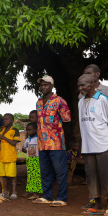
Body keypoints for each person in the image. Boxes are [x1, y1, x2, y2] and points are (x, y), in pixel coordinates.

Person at [77, 74, 108, 216]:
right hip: (88, 146)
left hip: (104, 144)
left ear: (93, 84)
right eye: (79, 85)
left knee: (107, 175)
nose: (80, 88)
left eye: (83, 85)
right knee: (91, 176)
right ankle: (97, 204)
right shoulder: (81, 102)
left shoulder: (103, 99)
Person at [33, 75, 71, 207]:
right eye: (42, 85)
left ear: (52, 86)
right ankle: (47, 196)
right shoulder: (38, 102)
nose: (43, 87)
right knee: (45, 171)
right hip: (42, 144)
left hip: (56, 143)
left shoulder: (60, 101)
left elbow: (67, 119)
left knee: (60, 172)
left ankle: (62, 198)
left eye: (46, 85)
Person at [0, 114, 20, 199]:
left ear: (11, 120)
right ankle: (5, 192)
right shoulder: (2, 129)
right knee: (3, 176)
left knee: (12, 175)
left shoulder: (15, 130)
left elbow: (14, 143)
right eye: (4, 119)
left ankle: (14, 192)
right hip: (2, 156)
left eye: (6, 119)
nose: (4, 121)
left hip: (11, 157)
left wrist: (3, 137)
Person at [22, 122, 42, 200]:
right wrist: (27, 151)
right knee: (30, 176)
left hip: (37, 159)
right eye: (27, 130)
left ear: (36, 130)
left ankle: (36, 193)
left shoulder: (39, 139)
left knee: (36, 176)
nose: (28, 132)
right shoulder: (27, 140)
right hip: (30, 160)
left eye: (30, 130)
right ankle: (31, 191)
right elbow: (23, 148)